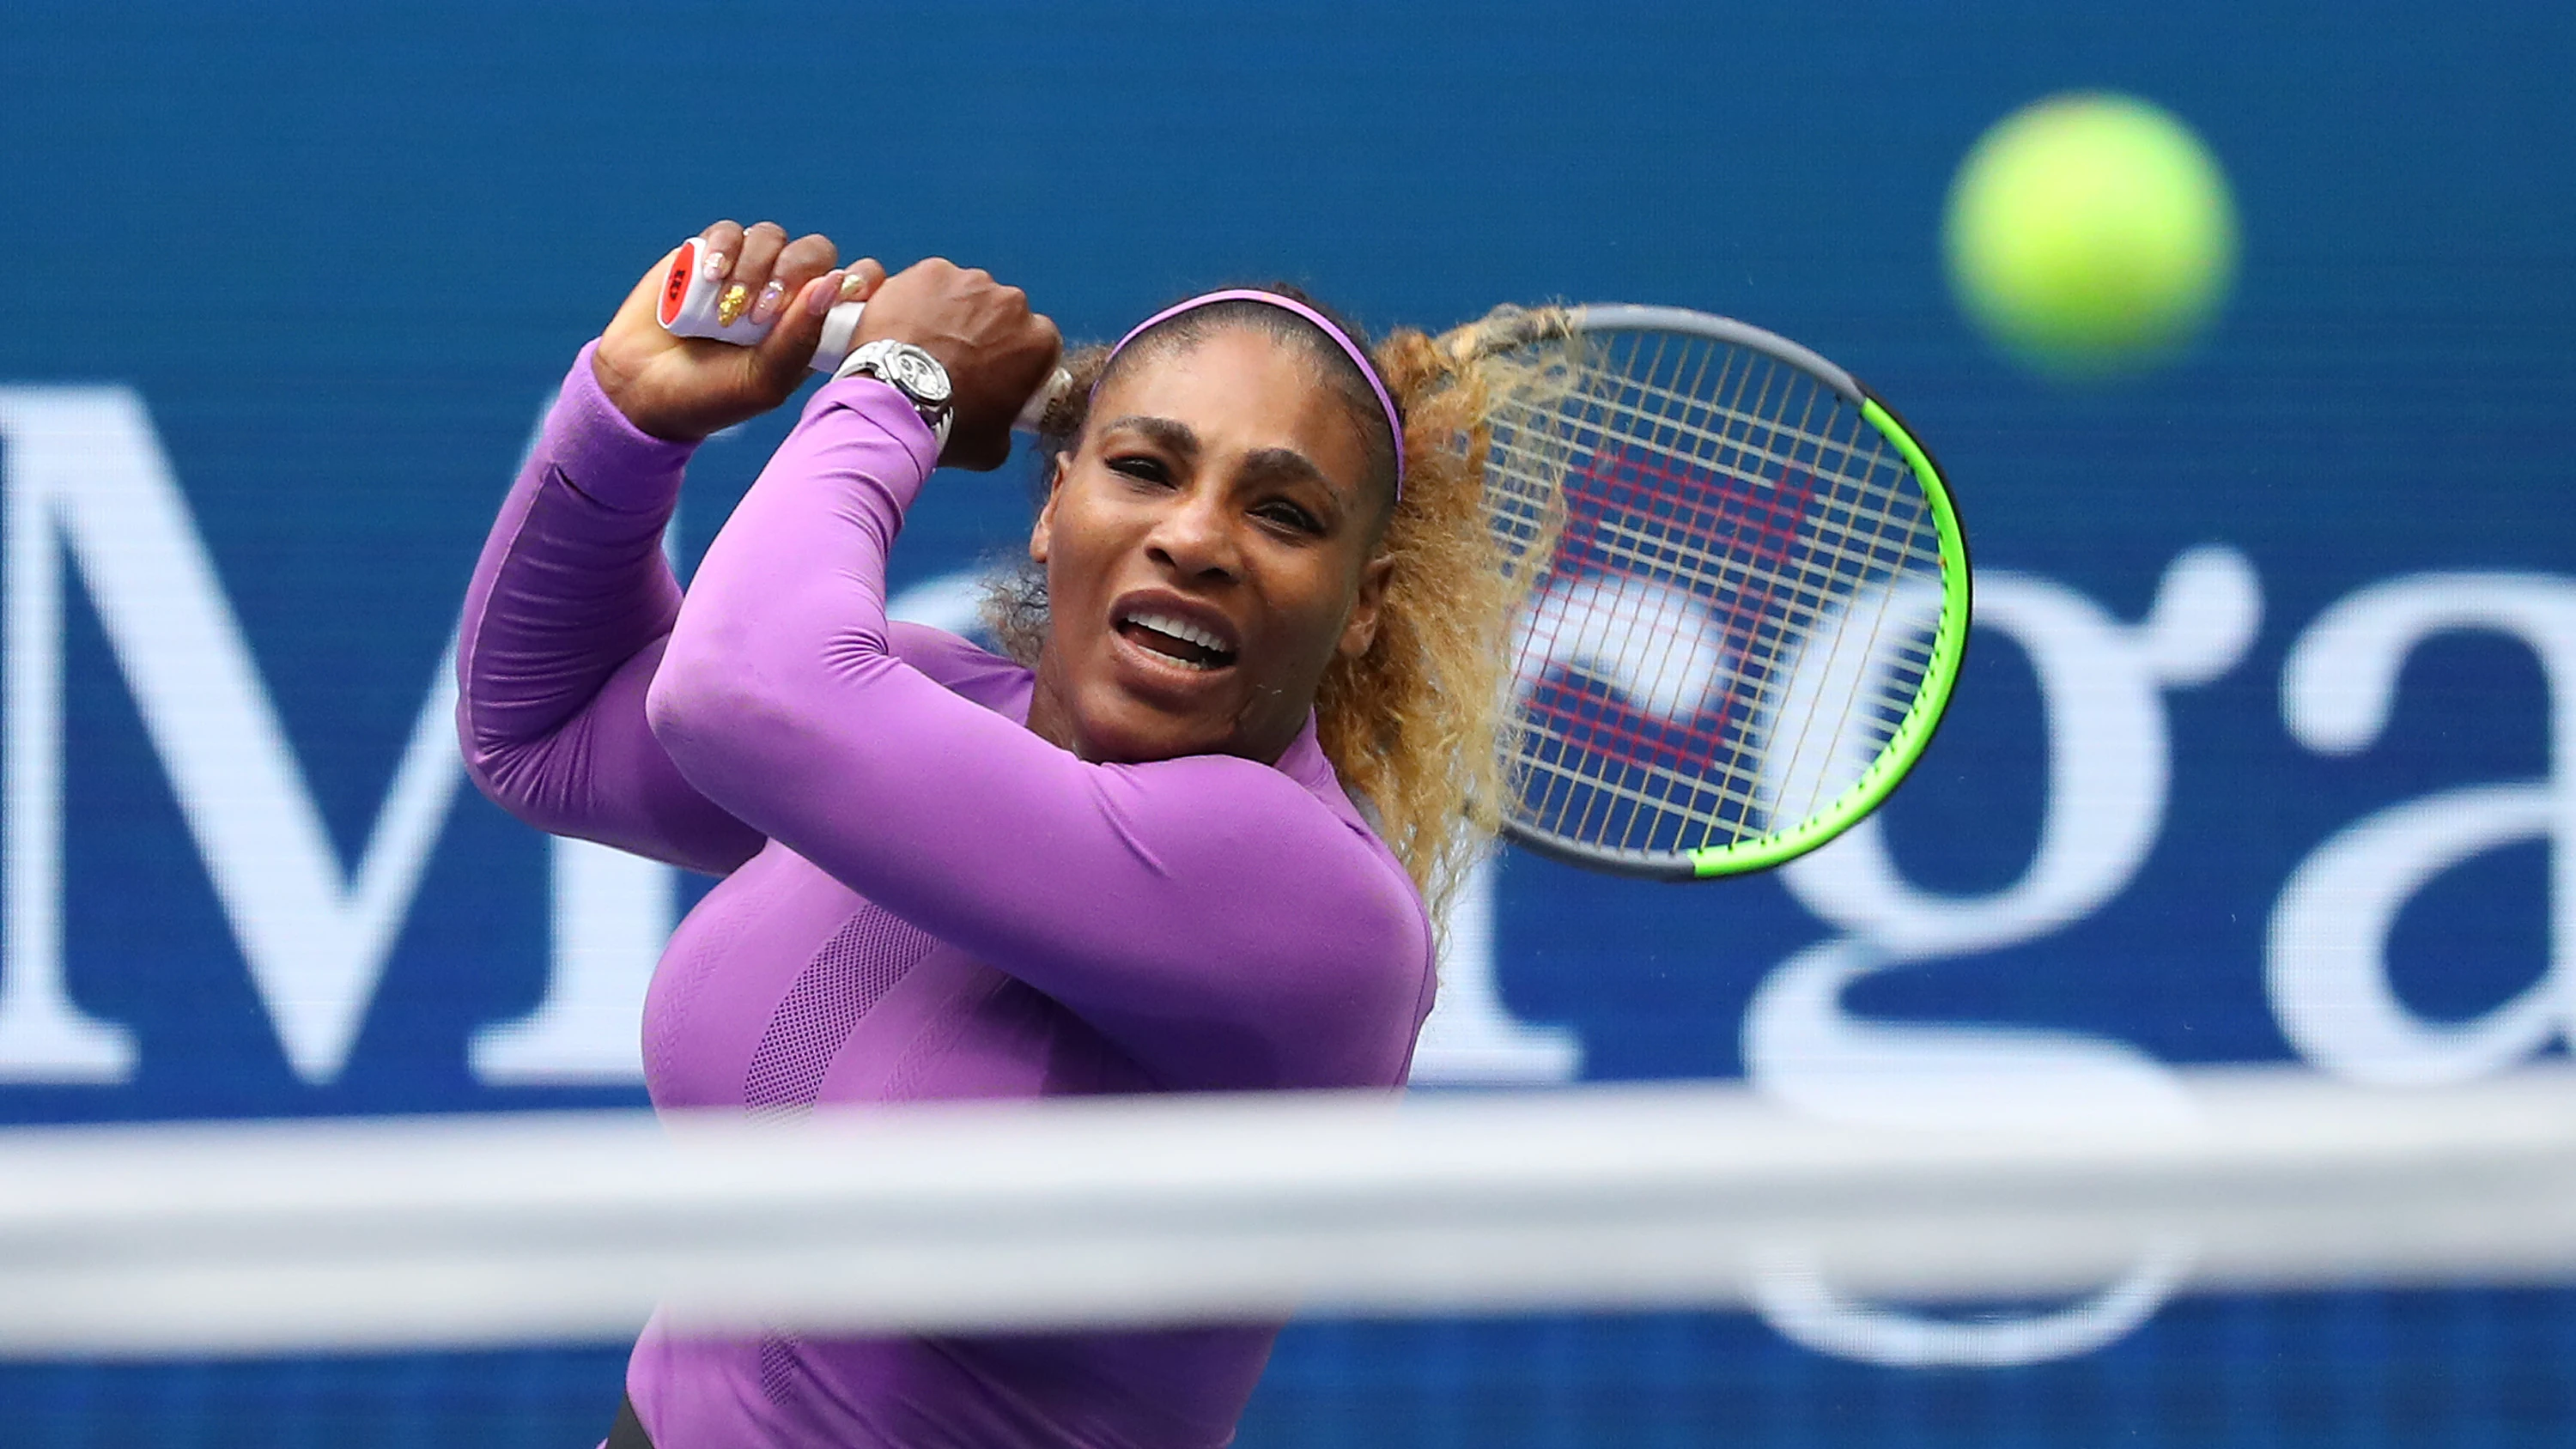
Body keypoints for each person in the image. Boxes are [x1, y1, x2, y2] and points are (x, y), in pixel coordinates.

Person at [456, 220, 1522, 1448]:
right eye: (1147, 468)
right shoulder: (930, 705)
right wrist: (633, 419)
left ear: (1362, 609)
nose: (1196, 537)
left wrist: (897, 386)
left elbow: (737, 686)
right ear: (1054, 505)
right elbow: (546, 730)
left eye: (1282, 514)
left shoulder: (1310, 901)